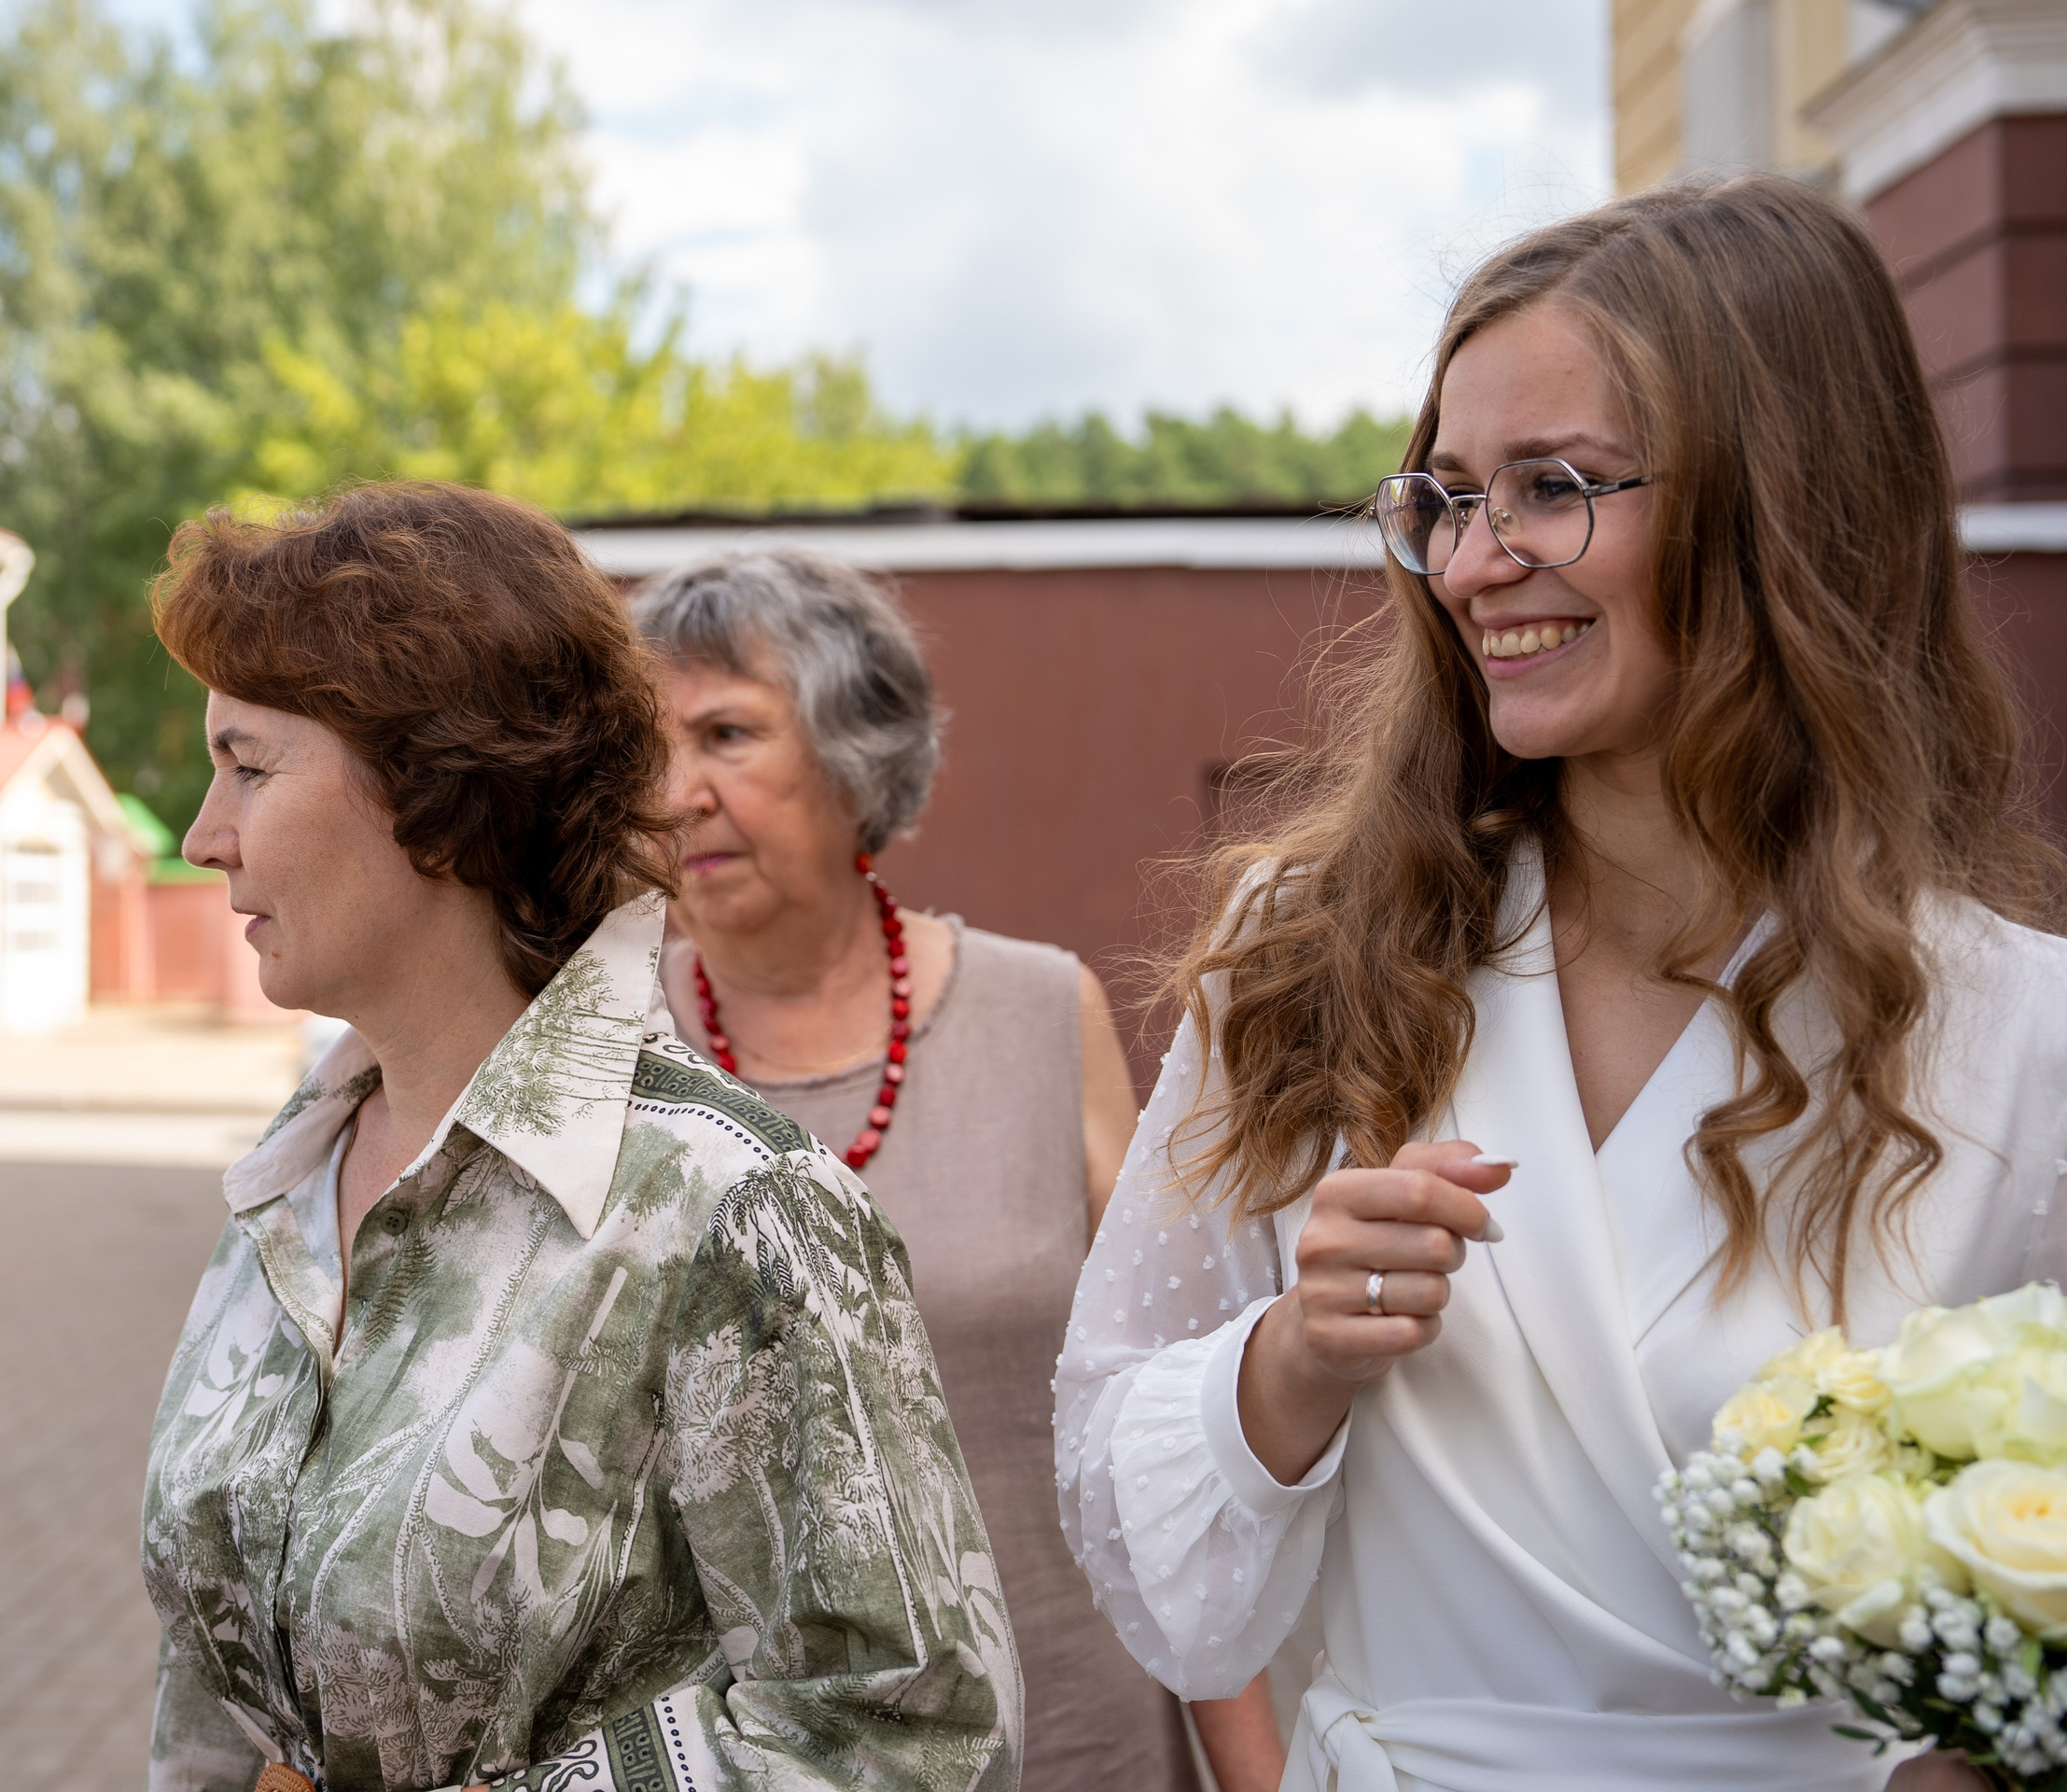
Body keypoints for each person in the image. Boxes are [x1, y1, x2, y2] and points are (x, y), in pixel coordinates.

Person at [1054, 175, 2067, 1792]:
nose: (1472, 565)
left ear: (1780, 507)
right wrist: (1285, 1365)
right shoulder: (1304, 960)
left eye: (1556, 486)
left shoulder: (2024, 1037)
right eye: (1448, 496)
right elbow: (1126, 1522)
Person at [139, 484, 1019, 1792]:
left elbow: (915, 1740)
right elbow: (214, 1687)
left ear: (439, 793)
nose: (208, 839)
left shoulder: (734, 1212)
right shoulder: (294, 1167)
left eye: (251, 766)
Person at [631, 547, 1287, 1792]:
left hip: (1077, 1737)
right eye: (647, 753)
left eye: (725, 734)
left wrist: (1260, 1776)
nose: (677, 794)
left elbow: (1174, 1426)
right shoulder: (613, 1061)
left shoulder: (1042, 1014)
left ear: (853, 753)